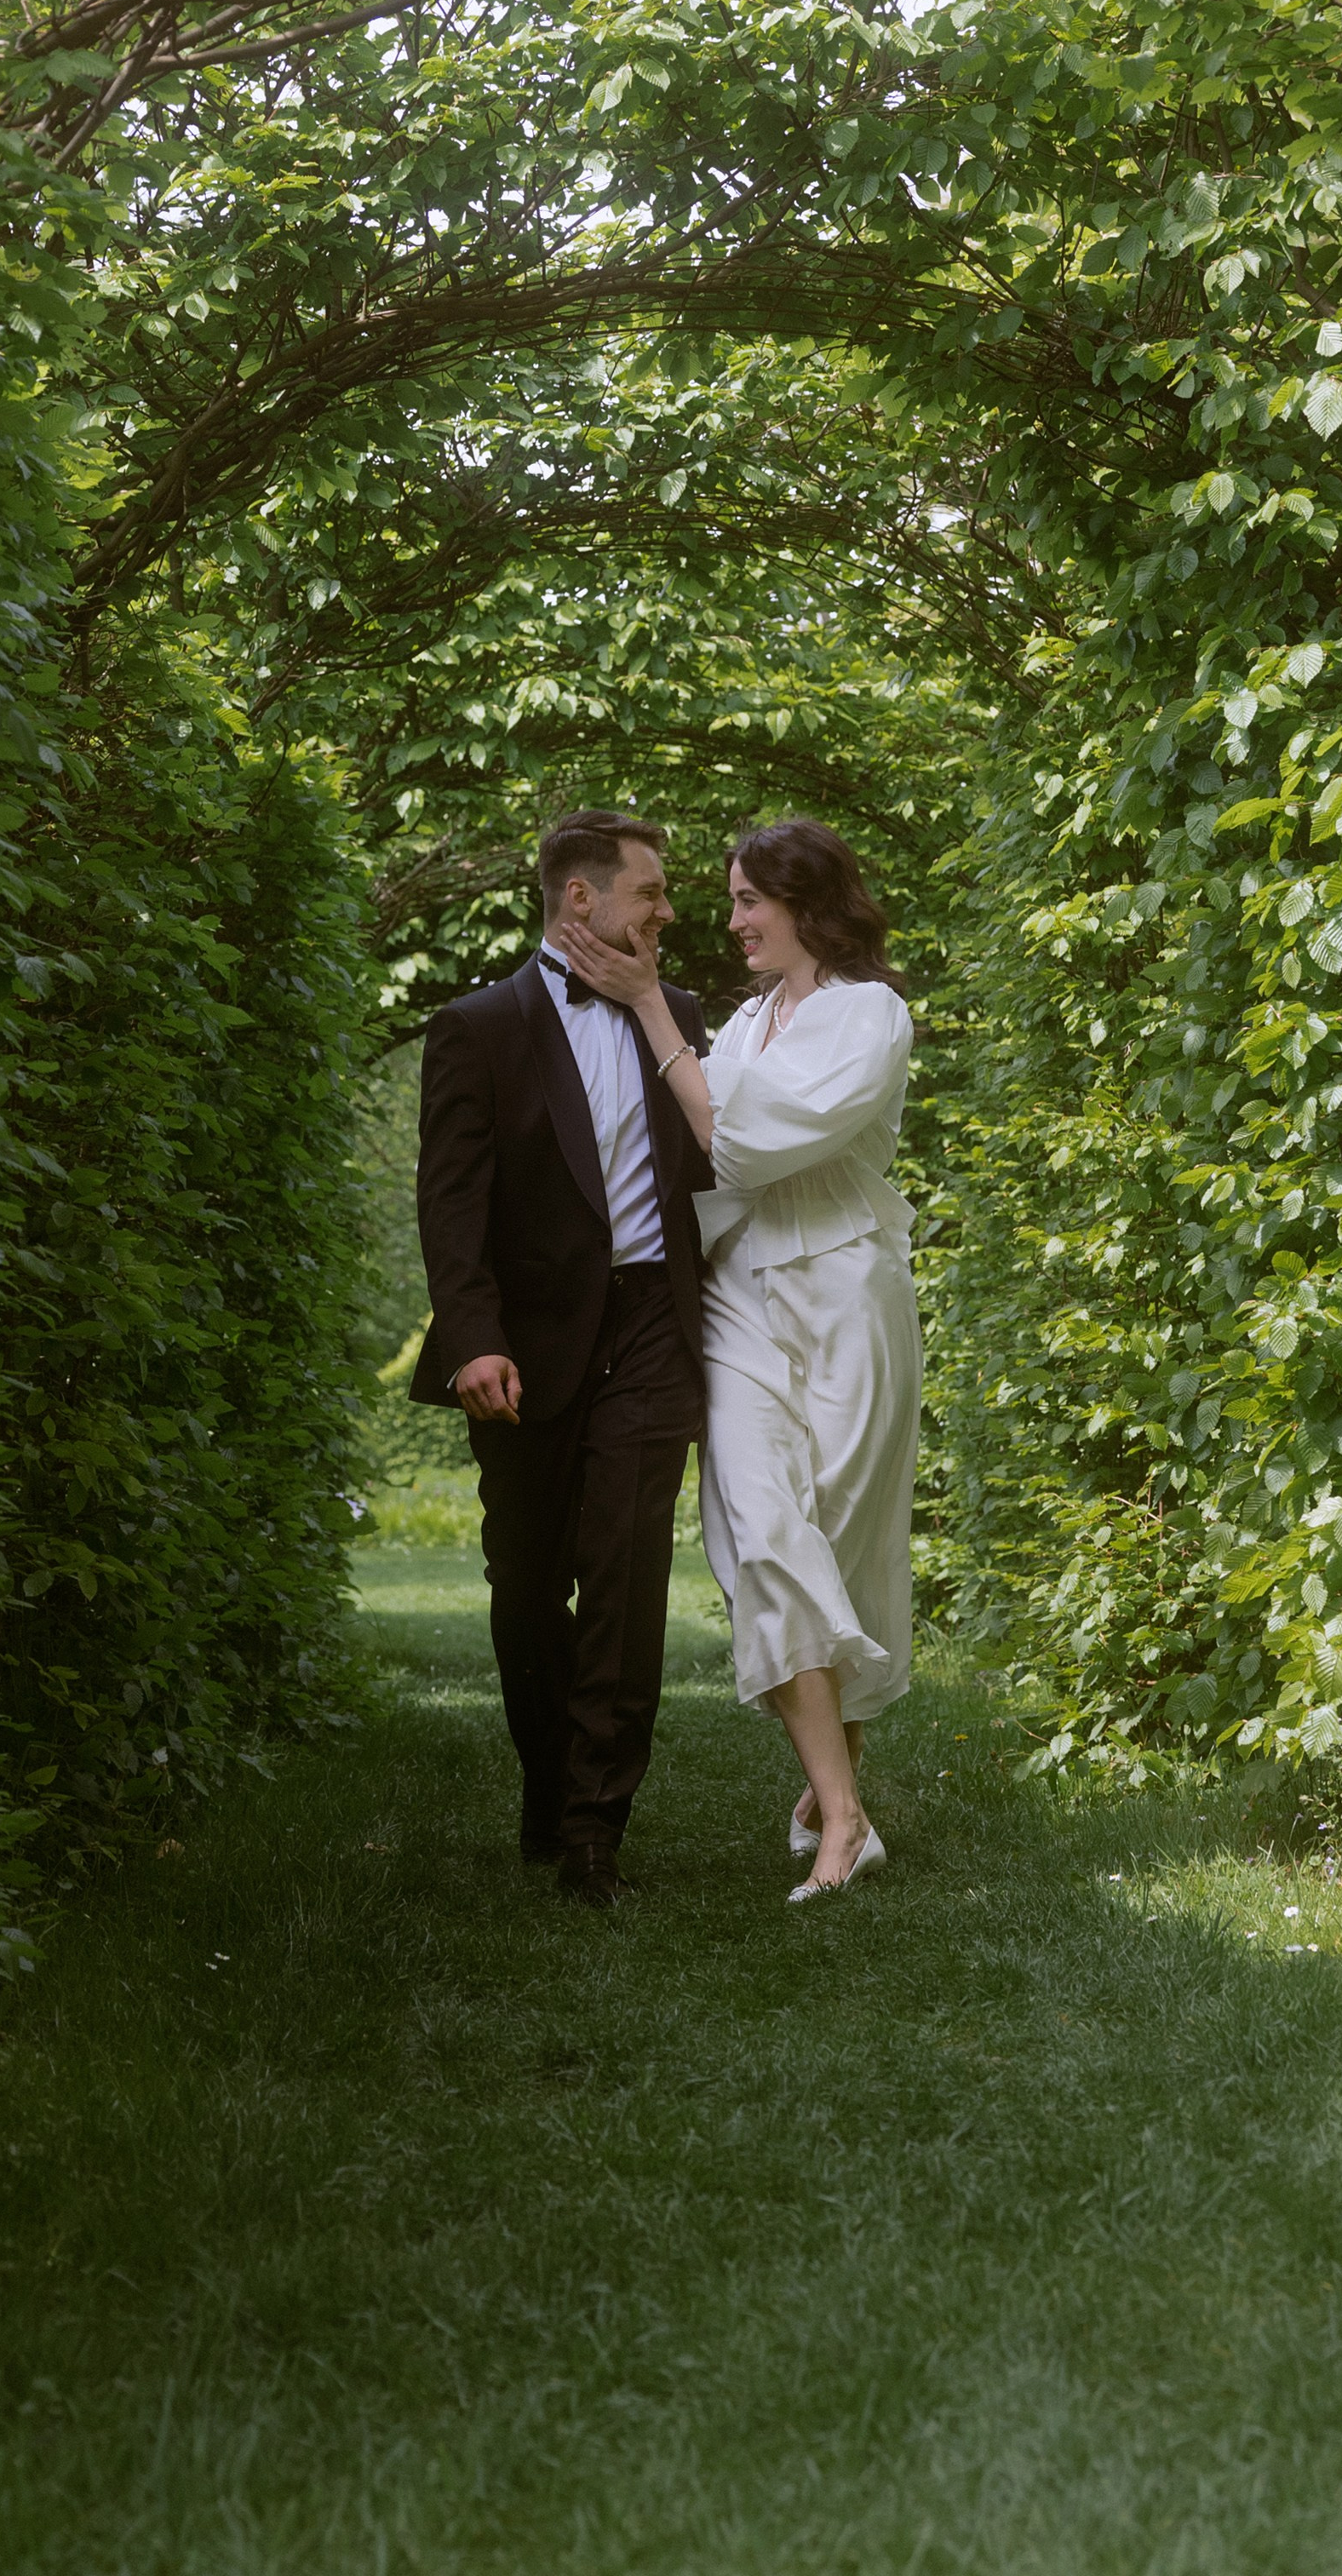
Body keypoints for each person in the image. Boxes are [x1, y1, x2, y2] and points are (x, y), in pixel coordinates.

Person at [553, 818, 918, 1902]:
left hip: (849, 1290)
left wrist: (651, 1011)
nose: (732, 922)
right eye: (727, 901)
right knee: (761, 1532)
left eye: (749, 900)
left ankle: (831, 1780)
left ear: (807, 902)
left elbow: (745, 1143)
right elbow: (701, 1139)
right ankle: (843, 1814)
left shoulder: (871, 1014)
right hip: (738, 1298)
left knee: (842, 1546)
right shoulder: (746, 1024)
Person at [410, 812, 713, 1908]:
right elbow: (449, 1205)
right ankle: (547, 1785)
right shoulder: (476, 1027)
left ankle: (595, 1830)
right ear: (580, 901)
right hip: (524, 1348)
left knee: (627, 1580)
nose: (667, 913)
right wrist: (472, 1338)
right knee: (527, 1587)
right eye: (651, 892)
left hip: (648, 1331)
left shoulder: (676, 1016)